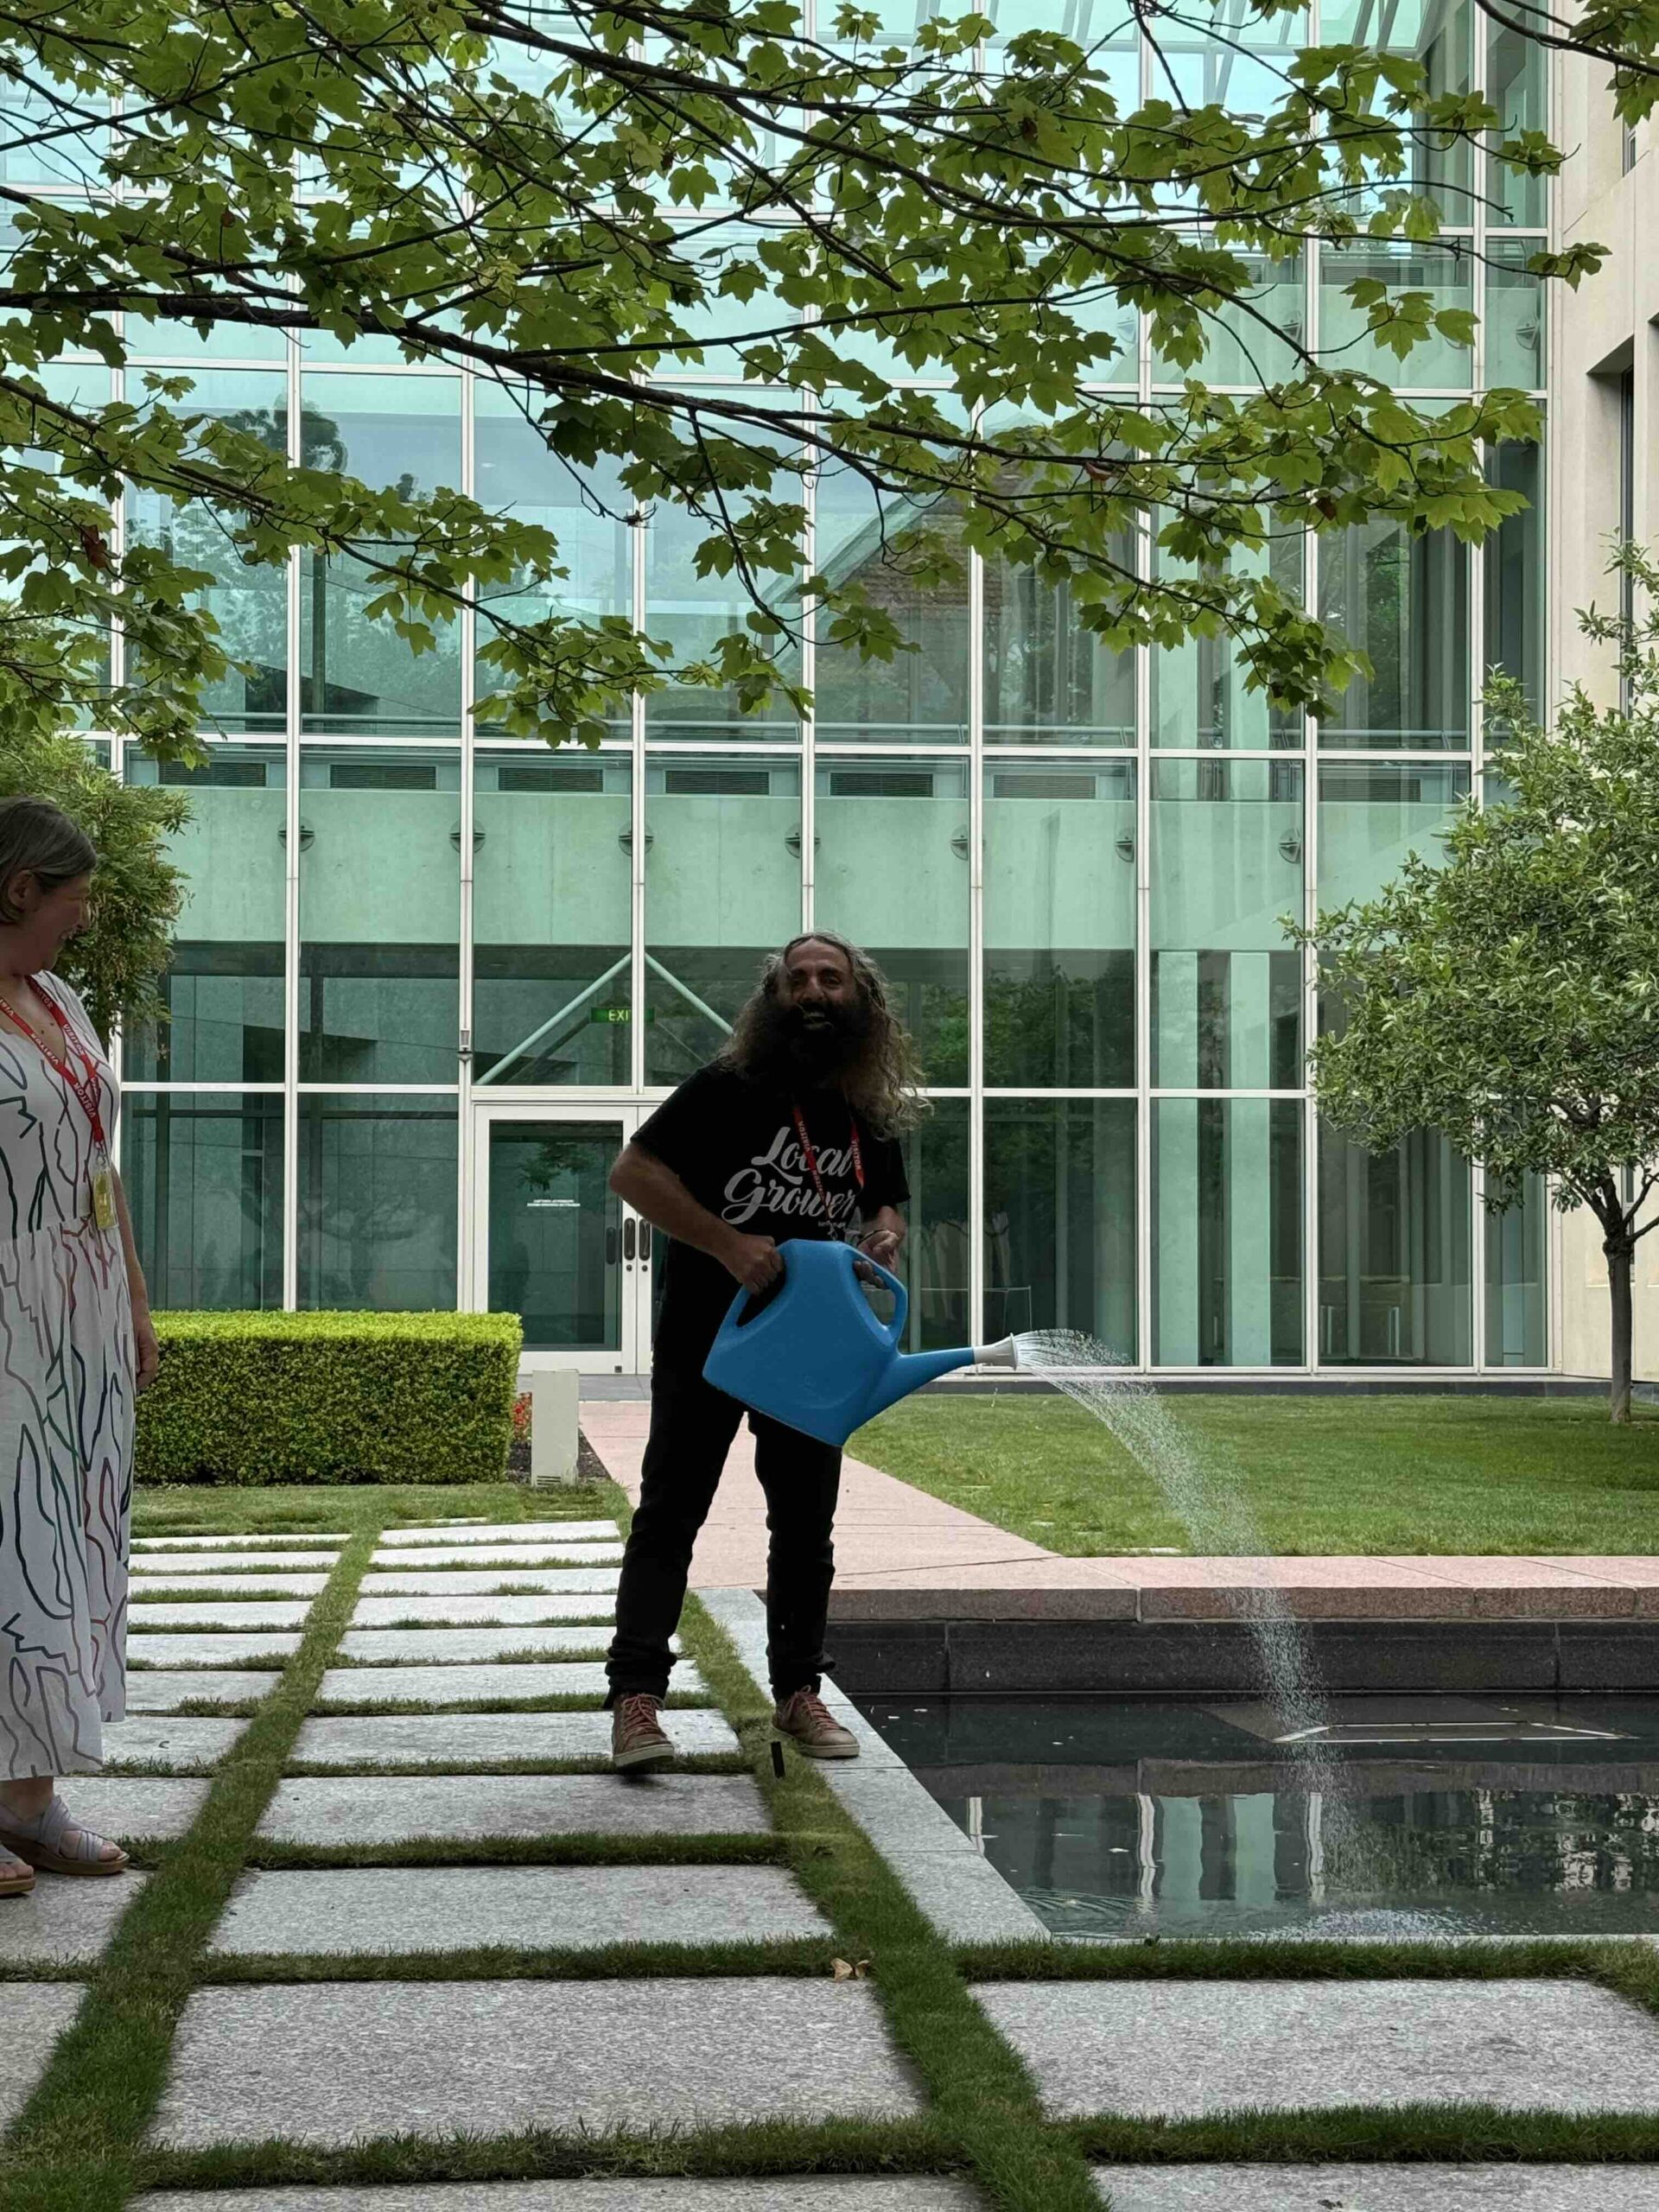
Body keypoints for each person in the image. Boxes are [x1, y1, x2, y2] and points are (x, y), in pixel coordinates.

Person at [605, 931, 921, 1772]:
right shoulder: (726, 1086)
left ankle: (798, 1693)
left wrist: (884, 1234)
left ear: (862, 998)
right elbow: (633, 1173)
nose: (814, 991)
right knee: (671, 1514)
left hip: (812, 1350)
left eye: (831, 977)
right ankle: (636, 1701)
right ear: (773, 995)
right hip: (711, 1342)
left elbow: (887, 1204)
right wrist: (725, 1244)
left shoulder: (865, 1107)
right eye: (798, 978)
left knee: (806, 1526)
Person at [0, 797, 160, 1897]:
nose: (83, 919)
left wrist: (135, 1302)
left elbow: (99, 1170)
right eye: (74, 898)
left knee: (65, 1543)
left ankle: (27, 1796)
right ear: (20, 889)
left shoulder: (59, 997)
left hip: (81, 1309)